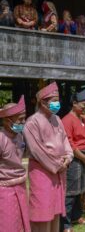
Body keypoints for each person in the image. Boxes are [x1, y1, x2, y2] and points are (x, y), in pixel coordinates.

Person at [23, 82, 73, 232]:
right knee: (42, 209)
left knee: (55, 209)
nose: (57, 104)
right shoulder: (32, 122)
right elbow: (37, 150)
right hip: (42, 172)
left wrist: (68, 157)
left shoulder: (57, 119)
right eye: (54, 100)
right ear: (43, 102)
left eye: (58, 100)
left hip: (59, 171)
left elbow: (65, 140)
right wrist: (58, 165)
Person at [61, 88, 85, 231]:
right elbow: (69, 143)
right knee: (71, 191)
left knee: (80, 189)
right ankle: (66, 223)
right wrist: (84, 157)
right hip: (75, 157)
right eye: (84, 104)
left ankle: (76, 216)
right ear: (74, 103)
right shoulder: (67, 120)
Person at [0, 96, 30, 232]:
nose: (23, 122)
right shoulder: (1, 139)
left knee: (22, 223)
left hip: (21, 187)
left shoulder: (20, 136)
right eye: (20, 120)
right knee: (8, 225)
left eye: (24, 118)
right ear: (7, 121)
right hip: (4, 190)